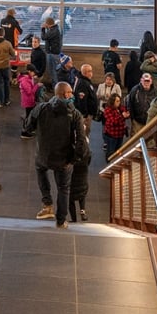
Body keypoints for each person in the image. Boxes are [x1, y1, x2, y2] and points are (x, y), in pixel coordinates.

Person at [23, 81, 86, 229]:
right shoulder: (75, 114)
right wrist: (74, 159)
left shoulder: (41, 108)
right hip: (64, 160)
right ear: (65, 94)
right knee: (63, 188)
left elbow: (27, 127)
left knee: (40, 170)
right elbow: (81, 141)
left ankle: (47, 203)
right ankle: (60, 220)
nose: (72, 95)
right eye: (70, 93)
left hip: (43, 155)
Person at [68, 121, 91, 222]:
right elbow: (89, 159)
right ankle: (82, 210)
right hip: (83, 174)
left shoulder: (72, 146)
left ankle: (74, 220)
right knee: (82, 193)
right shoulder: (86, 146)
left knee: (70, 199)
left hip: (73, 177)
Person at [101, 92, 129, 159]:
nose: (119, 102)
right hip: (111, 135)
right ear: (112, 101)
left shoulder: (120, 108)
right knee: (111, 152)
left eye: (119, 101)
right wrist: (122, 116)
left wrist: (127, 114)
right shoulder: (107, 110)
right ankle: (109, 164)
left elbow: (125, 112)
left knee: (118, 151)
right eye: (117, 101)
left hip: (120, 134)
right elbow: (112, 122)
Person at [72, 63, 98, 134]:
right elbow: (82, 101)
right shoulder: (82, 84)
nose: (91, 73)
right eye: (89, 71)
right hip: (85, 115)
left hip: (89, 113)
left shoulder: (86, 81)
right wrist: (85, 114)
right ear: (84, 72)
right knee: (84, 132)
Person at [18, 63, 40, 138]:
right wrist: (37, 86)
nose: (34, 74)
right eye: (33, 72)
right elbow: (29, 91)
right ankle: (24, 132)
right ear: (29, 71)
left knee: (29, 115)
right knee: (28, 117)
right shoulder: (24, 80)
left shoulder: (28, 78)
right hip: (28, 101)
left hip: (30, 100)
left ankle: (29, 129)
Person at [40, 17, 62, 84]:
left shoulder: (53, 31)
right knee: (54, 71)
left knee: (53, 71)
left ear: (47, 24)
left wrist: (43, 29)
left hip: (52, 53)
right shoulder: (55, 29)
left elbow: (44, 37)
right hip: (55, 52)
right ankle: (55, 85)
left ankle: (56, 87)